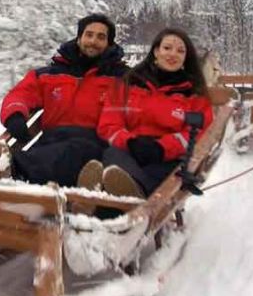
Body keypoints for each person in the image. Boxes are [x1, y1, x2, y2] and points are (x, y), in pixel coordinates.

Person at [0, 13, 127, 187]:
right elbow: (20, 93)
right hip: (51, 141)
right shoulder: (50, 74)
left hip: (95, 144)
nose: (93, 41)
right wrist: (14, 116)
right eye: (89, 35)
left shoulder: (123, 79)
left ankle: (8, 171)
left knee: (75, 151)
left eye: (101, 37)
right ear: (79, 38)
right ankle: (0, 167)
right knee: (50, 155)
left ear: (109, 44)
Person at [84, 27, 213, 198]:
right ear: (156, 52)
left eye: (180, 51)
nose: (173, 54)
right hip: (129, 150)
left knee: (164, 173)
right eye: (167, 48)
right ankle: (128, 193)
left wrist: (161, 147)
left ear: (185, 58)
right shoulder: (129, 84)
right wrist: (130, 142)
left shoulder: (193, 94)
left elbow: (199, 133)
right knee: (112, 155)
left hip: (168, 158)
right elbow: (109, 124)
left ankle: (108, 198)